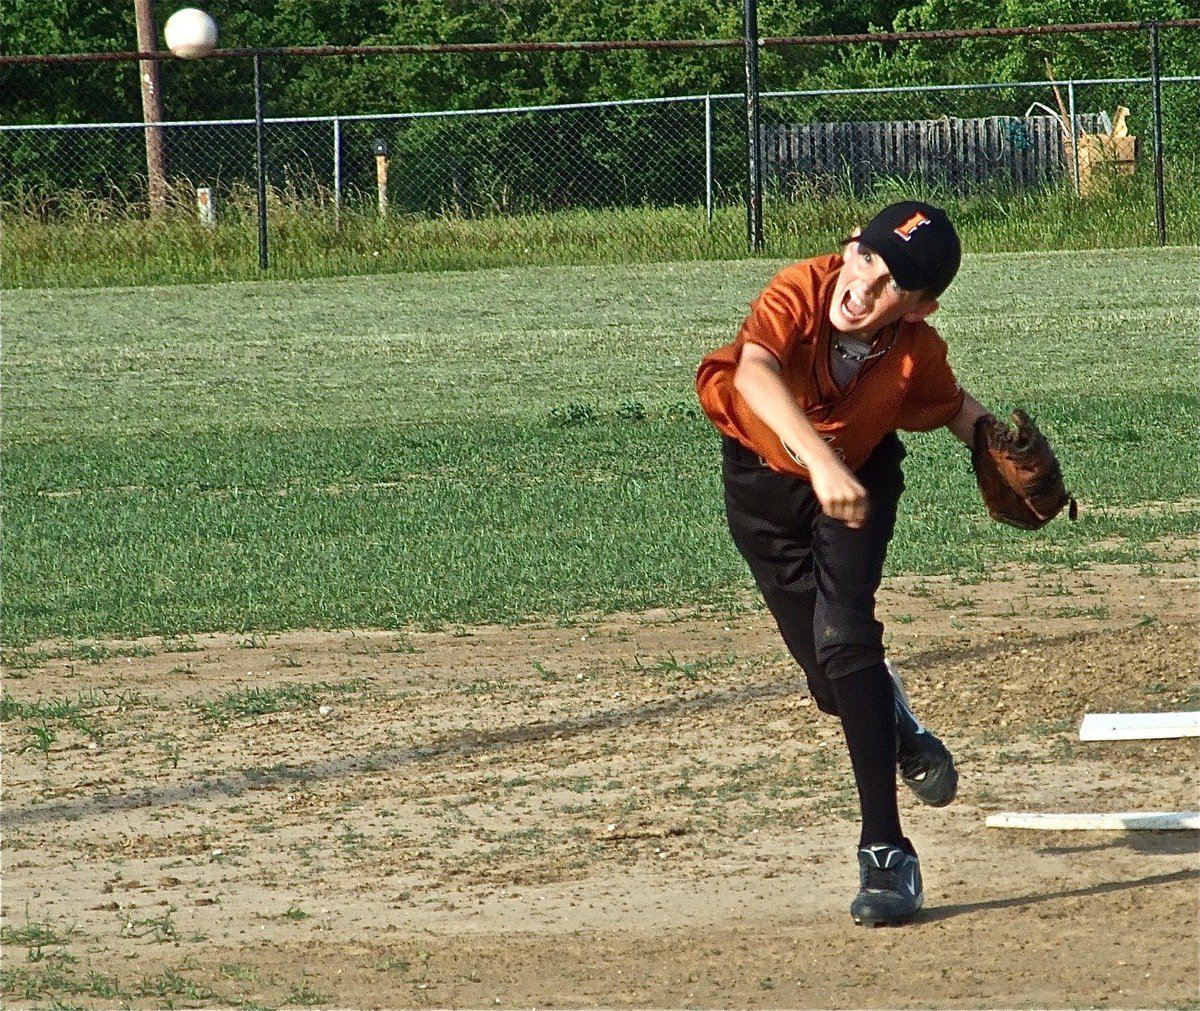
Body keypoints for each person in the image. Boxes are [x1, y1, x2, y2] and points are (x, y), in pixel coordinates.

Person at [695, 201, 991, 927]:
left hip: (857, 486)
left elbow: (954, 408)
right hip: (764, 492)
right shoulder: (800, 289)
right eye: (869, 256)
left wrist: (994, 441)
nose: (867, 284)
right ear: (850, 244)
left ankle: (887, 852)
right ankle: (899, 726)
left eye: (895, 282)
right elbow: (753, 374)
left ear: (920, 306)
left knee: (847, 636)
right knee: (833, 683)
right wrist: (817, 460)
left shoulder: (916, 350)